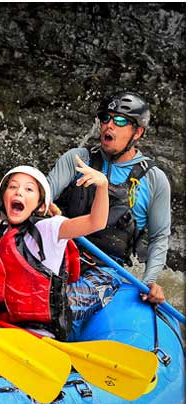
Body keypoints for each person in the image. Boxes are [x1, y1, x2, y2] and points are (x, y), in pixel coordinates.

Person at [48, 92, 171, 335]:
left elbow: (159, 238)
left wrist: (149, 280)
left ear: (138, 133)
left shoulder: (154, 180)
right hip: (60, 256)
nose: (109, 125)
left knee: (61, 306)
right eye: (106, 118)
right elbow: (42, 197)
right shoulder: (76, 159)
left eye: (121, 121)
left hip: (107, 269)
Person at [0, 164, 108, 340]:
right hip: (0, 326)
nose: (18, 192)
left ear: (41, 206)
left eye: (29, 189)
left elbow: (96, 222)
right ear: (3, 198)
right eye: (13, 186)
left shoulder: (49, 229)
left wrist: (102, 186)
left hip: (39, 335)